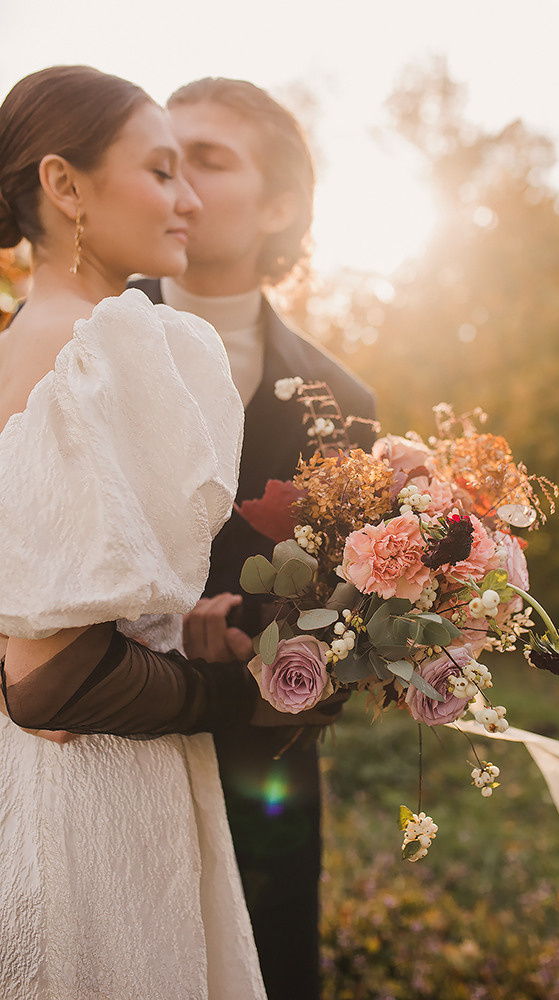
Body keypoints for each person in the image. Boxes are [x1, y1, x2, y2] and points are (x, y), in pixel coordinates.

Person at [0, 66, 266, 1000]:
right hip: (96, 803)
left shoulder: (16, 342)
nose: (186, 199)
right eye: (159, 172)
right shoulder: (106, 347)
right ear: (64, 185)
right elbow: (53, 682)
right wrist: (237, 696)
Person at [129, 78, 377, 1000]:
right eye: (162, 156)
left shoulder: (341, 400)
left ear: (280, 205)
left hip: (260, 763)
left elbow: (342, 609)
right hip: (98, 741)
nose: (175, 183)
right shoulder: (80, 337)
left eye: (208, 158)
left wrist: (260, 633)